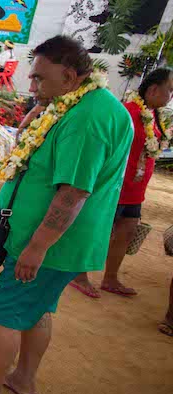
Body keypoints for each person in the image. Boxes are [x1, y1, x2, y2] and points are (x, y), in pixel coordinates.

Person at [0, 35, 133, 394]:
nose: (31, 86)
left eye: (39, 78)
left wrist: (37, 247)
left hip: (50, 242)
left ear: (69, 75)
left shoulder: (88, 118)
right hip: (59, 242)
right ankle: (23, 378)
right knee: (40, 307)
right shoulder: (78, 105)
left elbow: (72, 193)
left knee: (10, 307)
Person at [70, 68, 173, 298]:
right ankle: (78, 275)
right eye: (170, 90)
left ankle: (110, 278)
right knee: (99, 231)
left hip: (136, 191)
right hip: (116, 188)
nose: (171, 96)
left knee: (126, 234)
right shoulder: (127, 112)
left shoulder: (153, 116)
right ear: (154, 89)